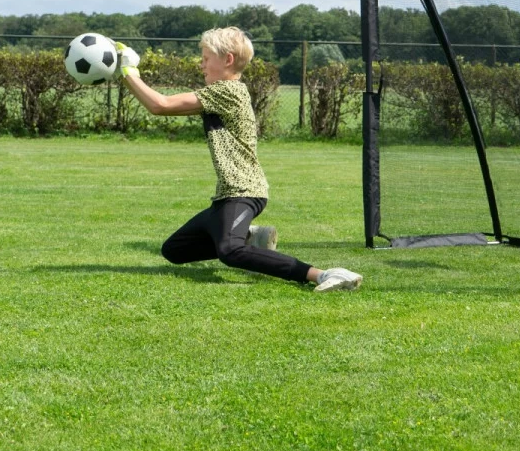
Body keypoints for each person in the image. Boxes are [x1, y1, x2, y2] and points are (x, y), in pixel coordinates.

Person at [117, 26, 363, 291]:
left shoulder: (228, 91)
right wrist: (127, 74)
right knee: (175, 250)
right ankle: (250, 237)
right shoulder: (221, 92)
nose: (201, 65)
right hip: (226, 195)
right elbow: (161, 105)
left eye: (206, 59)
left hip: (244, 191)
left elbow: (160, 105)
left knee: (229, 251)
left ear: (228, 59)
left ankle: (324, 274)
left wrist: (129, 72)